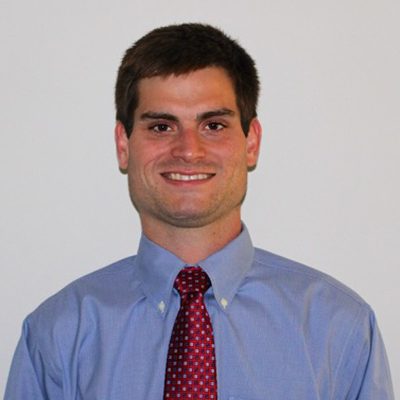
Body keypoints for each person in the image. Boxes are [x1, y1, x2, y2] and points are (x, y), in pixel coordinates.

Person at [5, 23, 394, 400]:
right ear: (124, 145)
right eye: (161, 126)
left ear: (252, 142)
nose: (189, 150)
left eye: (213, 125)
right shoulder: (57, 336)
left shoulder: (339, 329)